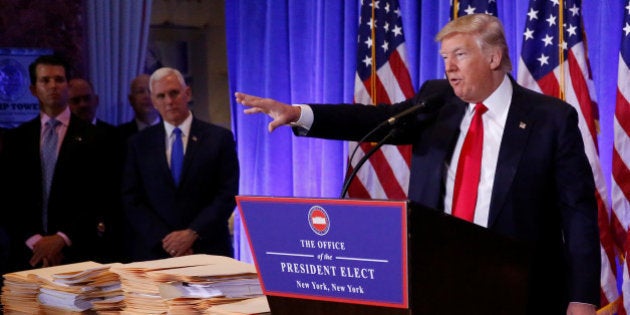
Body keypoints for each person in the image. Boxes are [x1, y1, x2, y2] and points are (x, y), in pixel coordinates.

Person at [235, 14, 599, 315]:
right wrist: (298, 113)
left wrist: (581, 297)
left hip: (518, 290)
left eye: (459, 55)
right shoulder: (437, 100)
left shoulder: (550, 119)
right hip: (437, 283)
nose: (450, 67)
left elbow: (578, 214)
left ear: (492, 57)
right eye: (444, 58)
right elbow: (373, 120)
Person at [0, 55, 120, 270]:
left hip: (79, 252)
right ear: (33, 90)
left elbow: (101, 195)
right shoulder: (16, 139)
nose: (53, 86)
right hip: (27, 254)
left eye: (59, 79)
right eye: (45, 80)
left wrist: (61, 239)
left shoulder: (98, 137)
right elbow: (9, 196)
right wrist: (36, 241)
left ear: (68, 85)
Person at [122, 67, 239, 261]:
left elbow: (227, 194)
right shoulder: (138, 144)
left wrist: (192, 233)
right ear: (154, 101)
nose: (169, 101)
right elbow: (132, 199)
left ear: (188, 93)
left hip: (209, 250)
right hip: (157, 254)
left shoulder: (219, 138)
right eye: (161, 96)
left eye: (174, 93)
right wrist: (167, 241)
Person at [117, 74, 161, 141]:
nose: (147, 96)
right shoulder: (118, 136)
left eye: (151, 91)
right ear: (131, 100)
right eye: (141, 92)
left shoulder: (174, 131)